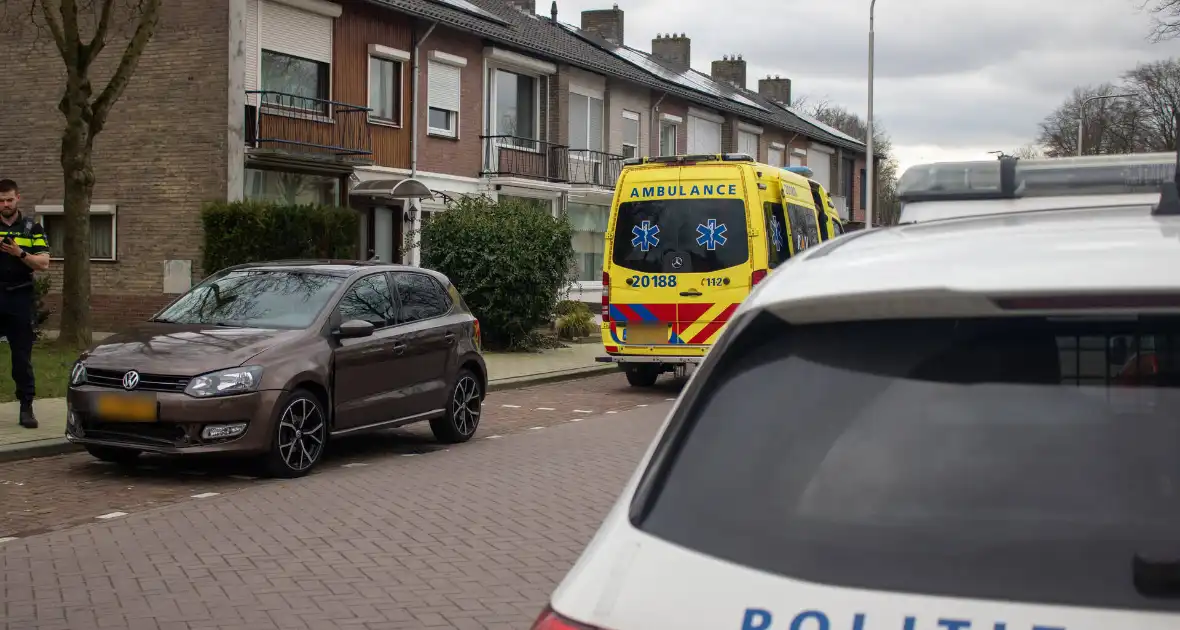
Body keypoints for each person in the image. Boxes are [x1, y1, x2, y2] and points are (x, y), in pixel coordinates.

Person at [0, 179, 50, 428]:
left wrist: (19, 253)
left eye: (9, 199)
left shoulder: (32, 228)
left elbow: (43, 263)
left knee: (22, 356)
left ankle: (26, 407)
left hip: (19, 298)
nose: (5, 204)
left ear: (18, 198)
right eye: (1, 200)